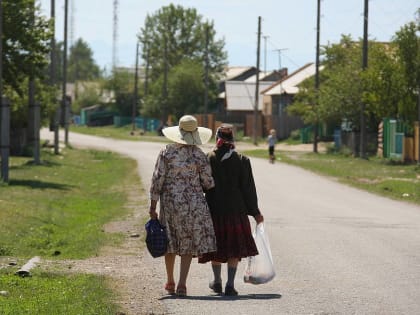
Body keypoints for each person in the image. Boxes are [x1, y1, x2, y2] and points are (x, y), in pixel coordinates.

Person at [149, 115, 217, 297]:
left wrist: (152, 205)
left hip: (170, 204)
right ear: (195, 134)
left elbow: (157, 179)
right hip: (193, 205)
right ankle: (182, 284)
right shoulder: (199, 155)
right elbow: (208, 182)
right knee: (187, 243)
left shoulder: (166, 152)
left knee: (170, 241)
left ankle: (170, 281)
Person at [198, 124, 264, 296]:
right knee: (234, 247)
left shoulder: (208, 158)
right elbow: (248, 189)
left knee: (217, 246)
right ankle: (229, 284)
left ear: (217, 139)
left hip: (214, 210)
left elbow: (203, 186)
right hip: (236, 211)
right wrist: (255, 212)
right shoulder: (242, 161)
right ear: (233, 140)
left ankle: (217, 281)